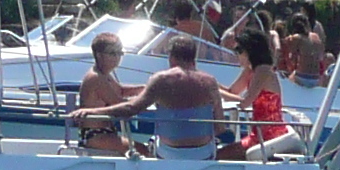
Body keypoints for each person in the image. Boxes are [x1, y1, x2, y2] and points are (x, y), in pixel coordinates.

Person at [71, 39, 234, 159]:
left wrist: (92, 111)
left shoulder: (160, 79)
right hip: (204, 152)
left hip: (167, 152)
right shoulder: (210, 82)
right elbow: (220, 128)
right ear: (194, 58)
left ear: (172, 57)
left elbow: (130, 109)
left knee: (146, 148)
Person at [225, 28, 289, 150]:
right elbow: (232, 92)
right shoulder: (251, 70)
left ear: (250, 51)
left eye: (239, 50)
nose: (237, 55)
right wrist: (211, 84)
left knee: (221, 154)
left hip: (269, 137)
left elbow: (244, 103)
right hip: (259, 135)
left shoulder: (263, 70)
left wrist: (215, 91)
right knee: (222, 152)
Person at [77, 33, 138, 154]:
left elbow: (121, 91)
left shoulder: (104, 74)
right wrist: (148, 100)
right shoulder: (96, 78)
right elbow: (119, 104)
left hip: (106, 132)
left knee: (143, 150)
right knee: (144, 151)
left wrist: (148, 88)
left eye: (120, 53)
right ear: (99, 55)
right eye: (112, 53)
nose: (117, 57)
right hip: (96, 135)